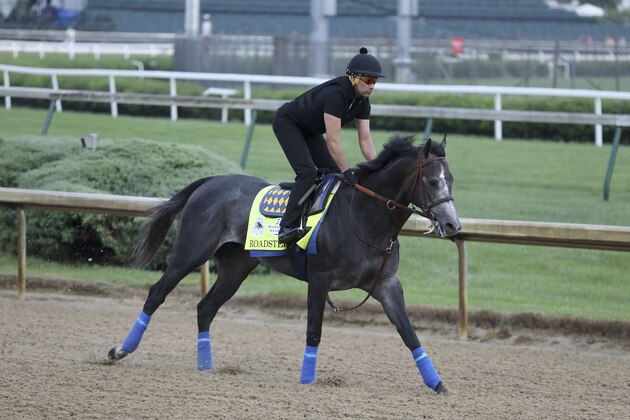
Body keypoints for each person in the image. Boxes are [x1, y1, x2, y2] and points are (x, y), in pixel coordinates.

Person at [272, 47, 383, 244]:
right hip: (288, 123)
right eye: (369, 80)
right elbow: (332, 139)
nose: (372, 86)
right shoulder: (335, 94)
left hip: (309, 130)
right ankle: (286, 227)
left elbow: (365, 140)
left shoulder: (363, 102)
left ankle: (304, 195)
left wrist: (379, 167)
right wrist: (347, 170)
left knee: (333, 174)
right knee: (308, 174)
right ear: (354, 78)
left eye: (375, 82)